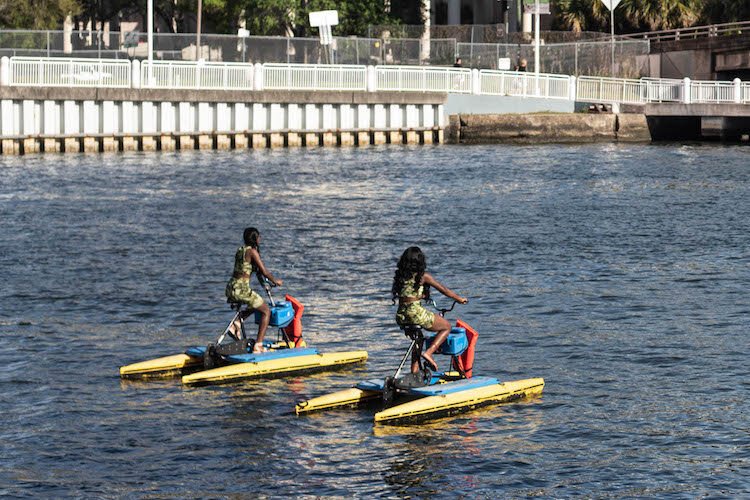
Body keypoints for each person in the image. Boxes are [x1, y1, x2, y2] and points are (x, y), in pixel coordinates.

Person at [392, 246, 467, 373]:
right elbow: (444, 290)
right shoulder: (423, 276)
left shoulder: (400, 277)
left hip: (401, 315)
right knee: (446, 327)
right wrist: (459, 299)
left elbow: (407, 295)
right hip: (415, 313)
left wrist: (421, 296)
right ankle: (429, 353)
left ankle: (414, 373)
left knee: (418, 340)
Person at [225, 227, 283, 353]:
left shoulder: (241, 251)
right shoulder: (252, 252)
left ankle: (237, 323)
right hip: (241, 290)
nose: (260, 239)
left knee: (257, 304)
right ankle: (258, 345)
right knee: (266, 311)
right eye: (258, 237)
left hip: (231, 287)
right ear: (255, 239)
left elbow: (251, 270)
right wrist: (275, 281)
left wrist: (264, 283)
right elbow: (264, 271)